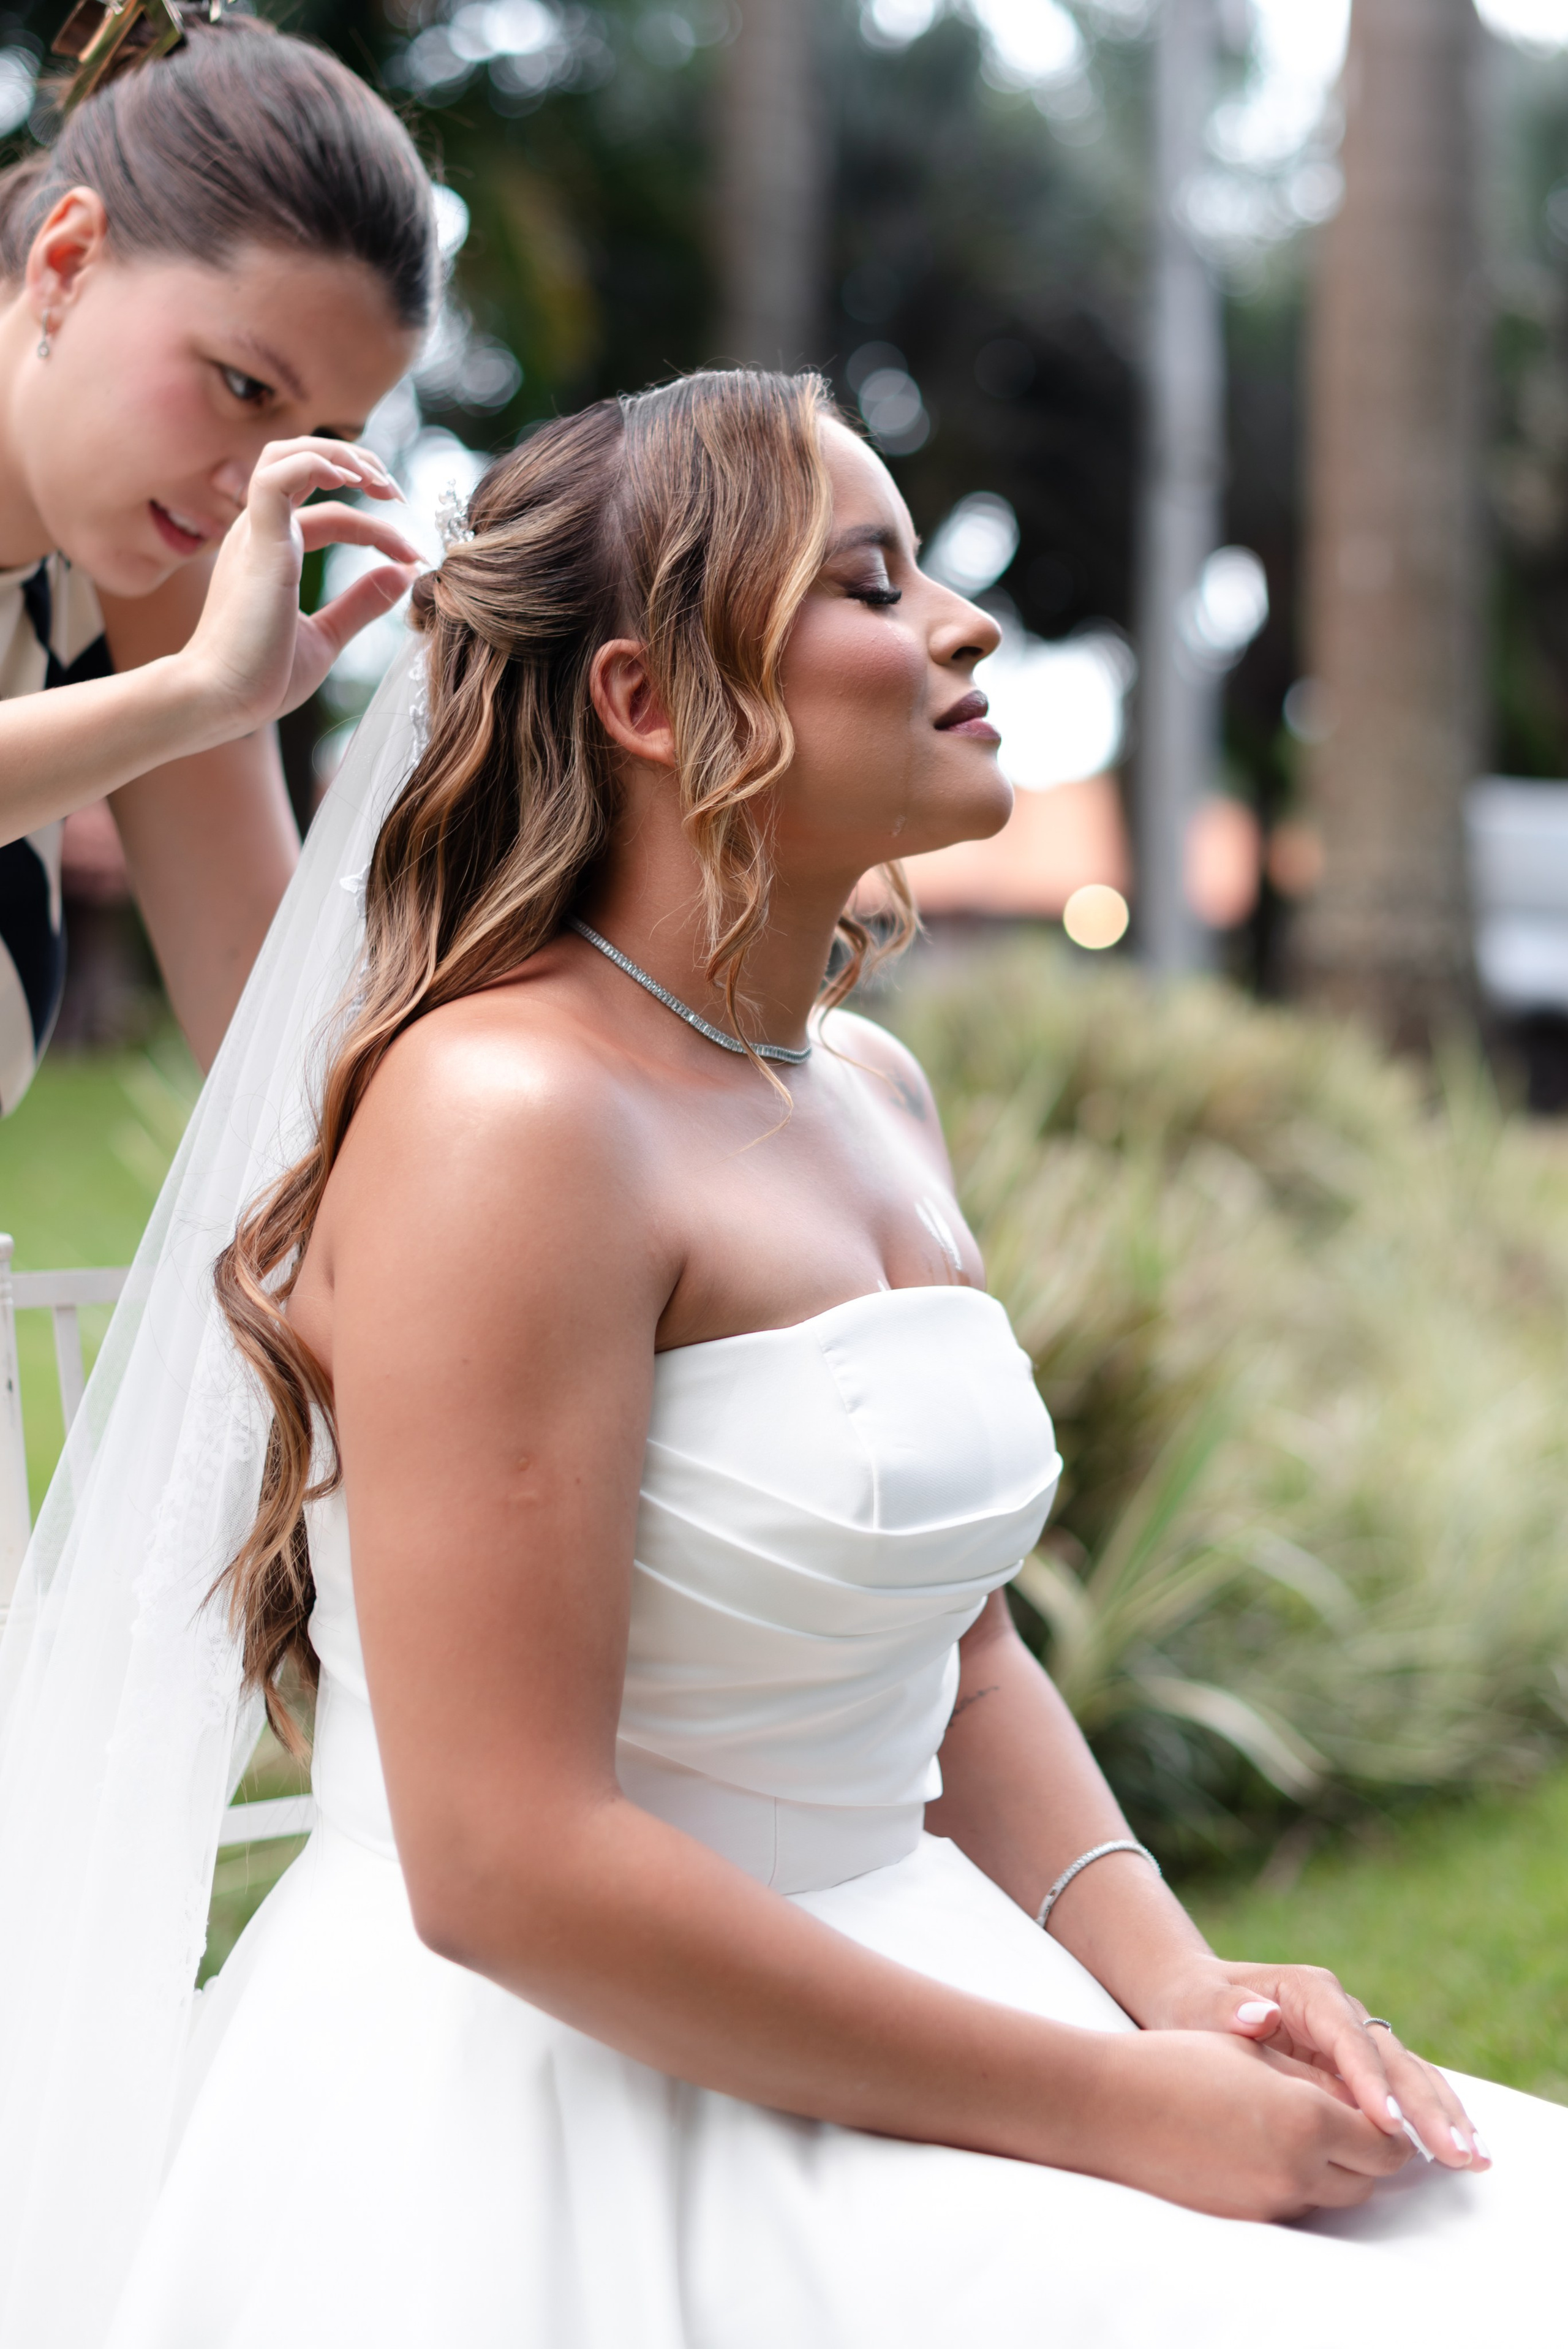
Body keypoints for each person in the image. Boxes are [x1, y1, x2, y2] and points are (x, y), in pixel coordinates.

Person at [4, 371, 1567, 2349]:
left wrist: (1183, 1991)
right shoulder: (508, 1118)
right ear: (650, 701)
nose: (966, 624)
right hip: (585, 2081)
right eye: (870, 580)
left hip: (936, 1988)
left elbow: (967, 1654)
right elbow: (500, 1865)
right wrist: (1114, 2105)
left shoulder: (868, 1088)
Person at [0, 2, 438, 1105]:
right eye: (244, 386)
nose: (258, 481)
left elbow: (278, 1053)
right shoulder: (180, 657)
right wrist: (195, 695)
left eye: (320, 436)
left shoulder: (152, 566)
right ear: (67, 261)